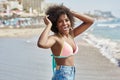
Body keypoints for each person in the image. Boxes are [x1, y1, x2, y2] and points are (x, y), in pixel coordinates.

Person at [37, 4, 94, 80]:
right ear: (55, 25)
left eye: (67, 20)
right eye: (60, 21)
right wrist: (49, 25)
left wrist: (71, 13)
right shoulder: (56, 38)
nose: (64, 23)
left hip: (70, 73)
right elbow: (41, 44)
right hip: (63, 75)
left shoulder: (71, 35)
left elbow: (90, 21)